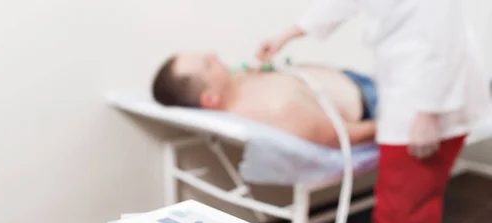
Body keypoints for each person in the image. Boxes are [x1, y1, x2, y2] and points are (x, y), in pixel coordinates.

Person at [256, 0, 490, 223]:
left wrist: (428, 112)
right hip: (412, 87)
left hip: (426, 101)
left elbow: (444, 36)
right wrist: (289, 33)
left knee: (400, 219)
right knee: (416, 213)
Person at [151, 52, 378, 148]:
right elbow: (343, 136)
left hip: (354, 79)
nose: (213, 54)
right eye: (208, 64)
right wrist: (392, 127)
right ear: (210, 99)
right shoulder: (275, 111)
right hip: (372, 101)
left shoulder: (236, 84)